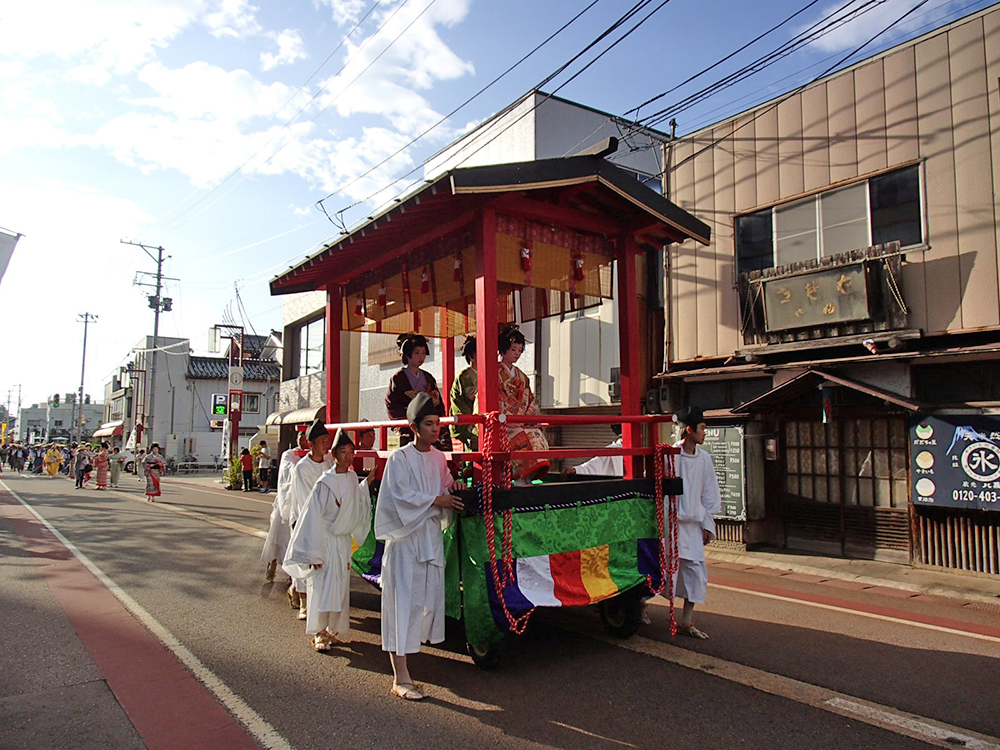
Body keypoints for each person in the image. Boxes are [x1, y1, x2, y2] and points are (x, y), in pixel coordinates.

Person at [375, 392, 464, 701]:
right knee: (402, 605)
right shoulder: (399, 459)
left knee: (423, 603)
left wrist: (453, 487)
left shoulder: (439, 458)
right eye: (429, 424)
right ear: (414, 426)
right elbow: (398, 499)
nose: (435, 429)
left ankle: (408, 670)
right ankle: (400, 678)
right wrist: (436, 499)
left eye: (437, 423)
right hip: (405, 543)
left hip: (428, 540)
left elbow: (443, 486)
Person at [283, 429, 371, 651]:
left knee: (339, 589)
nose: (348, 456)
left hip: (341, 542)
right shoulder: (325, 482)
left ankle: (332, 630)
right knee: (322, 589)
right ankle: (318, 633)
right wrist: (313, 552)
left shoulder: (351, 478)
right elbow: (311, 516)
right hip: (326, 542)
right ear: (334, 454)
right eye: (343, 452)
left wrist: (367, 483)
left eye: (351, 452)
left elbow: (356, 502)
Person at [664, 406, 721, 639]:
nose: (704, 433)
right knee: (665, 569)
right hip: (672, 525)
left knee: (696, 572)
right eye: (702, 429)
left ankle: (687, 621)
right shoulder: (670, 456)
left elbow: (710, 492)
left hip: (693, 525)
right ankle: (641, 606)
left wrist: (708, 524)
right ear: (689, 430)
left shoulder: (704, 459)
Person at [283, 419, 335, 620]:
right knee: (305, 563)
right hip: (306, 519)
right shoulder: (302, 468)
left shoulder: (329, 461)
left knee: (322, 564)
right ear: (310, 444)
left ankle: (318, 603)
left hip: (326, 519)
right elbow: (307, 501)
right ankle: (304, 603)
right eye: (321, 440)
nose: (326, 444)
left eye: (327, 439)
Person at [498, 323, 549, 483]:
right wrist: (507, 420)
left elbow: (530, 401)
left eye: (519, 350)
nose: (517, 354)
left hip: (520, 423)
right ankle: (521, 479)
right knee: (525, 437)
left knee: (535, 434)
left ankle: (526, 478)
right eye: (513, 350)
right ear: (503, 349)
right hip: (503, 426)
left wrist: (527, 419)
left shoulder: (522, 376)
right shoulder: (493, 373)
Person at [385, 333, 449, 450]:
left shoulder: (428, 377)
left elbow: (438, 403)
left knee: (442, 436)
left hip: (429, 421)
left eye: (424, 353)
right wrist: (402, 424)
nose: (421, 357)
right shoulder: (398, 378)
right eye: (417, 353)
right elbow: (392, 404)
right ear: (407, 355)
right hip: (410, 423)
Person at [261, 430, 309, 584]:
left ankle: (293, 574)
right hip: (287, 500)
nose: (304, 441)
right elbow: (288, 472)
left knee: (295, 540)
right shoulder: (289, 454)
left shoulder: (313, 455)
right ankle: (273, 563)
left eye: (307, 438)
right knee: (279, 536)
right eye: (301, 438)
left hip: (304, 502)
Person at [450, 335, 478, 451]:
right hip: (471, 422)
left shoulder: (492, 374)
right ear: (471, 356)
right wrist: (472, 423)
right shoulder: (464, 377)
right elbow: (460, 404)